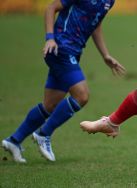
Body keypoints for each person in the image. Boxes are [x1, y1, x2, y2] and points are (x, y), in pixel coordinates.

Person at [2, 0, 125, 163]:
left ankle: (13, 141)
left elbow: (96, 23)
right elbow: (51, 7)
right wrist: (50, 38)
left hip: (73, 52)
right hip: (60, 48)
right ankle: (43, 134)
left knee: (50, 105)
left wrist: (105, 55)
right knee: (82, 96)